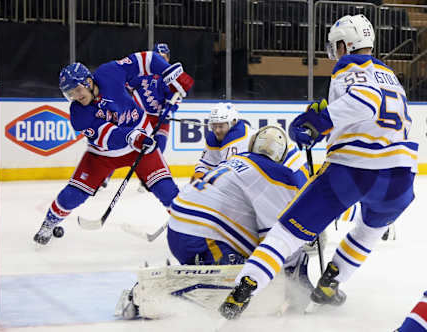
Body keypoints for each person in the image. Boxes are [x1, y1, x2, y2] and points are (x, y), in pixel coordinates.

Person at [219, 14, 417, 320]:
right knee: (368, 231)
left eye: (336, 45)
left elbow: (365, 102)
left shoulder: (351, 65)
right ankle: (330, 284)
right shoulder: (390, 74)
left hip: (354, 170)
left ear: (346, 44)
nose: (334, 52)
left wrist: (317, 122)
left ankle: (245, 288)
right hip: (400, 178)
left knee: (287, 233)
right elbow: (372, 112)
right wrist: (323, 115)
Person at [118, 126, 313, 319]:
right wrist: (293, 266)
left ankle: (186, 275)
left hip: (179, 226)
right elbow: (274, 236)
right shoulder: (278, 175)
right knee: (250, 276)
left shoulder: (238, 159)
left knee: (247, 254)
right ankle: (151, 294)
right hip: (202, 235)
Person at [33, 52, 194, 245]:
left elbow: (146, 59)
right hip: (103, 155)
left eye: (77, 90)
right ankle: (49, 222)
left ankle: (189, 230)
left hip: (140, 144)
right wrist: (133, 136)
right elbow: (106, 137)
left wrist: (170, 73)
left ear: (88, 81)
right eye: (70, 94)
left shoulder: (110, 73)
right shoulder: (78, 114)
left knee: (167, 191)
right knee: (73, 195)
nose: (76, 97)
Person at [101, 43, 175, 193]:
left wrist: (168, 110)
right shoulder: (142, 74)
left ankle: (148, 179)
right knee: (122, 144)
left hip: (160, 120)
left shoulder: (171, 77)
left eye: (164, 57)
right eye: (158, 57)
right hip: (140, 117)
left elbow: (174, 99)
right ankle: (105, 176)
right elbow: (125, 84)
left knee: (157, 149)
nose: (162, 60)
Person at [192, 102, 309, 185]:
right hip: (275, 170)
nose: (217, 130)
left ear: (233, 122)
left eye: (221, 126)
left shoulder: (236, 137)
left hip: (293, 167)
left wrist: (203, 182)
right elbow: (207, 163)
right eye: (214, 126)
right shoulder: (214, 137)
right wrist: (199, 172)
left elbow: (225, 177)